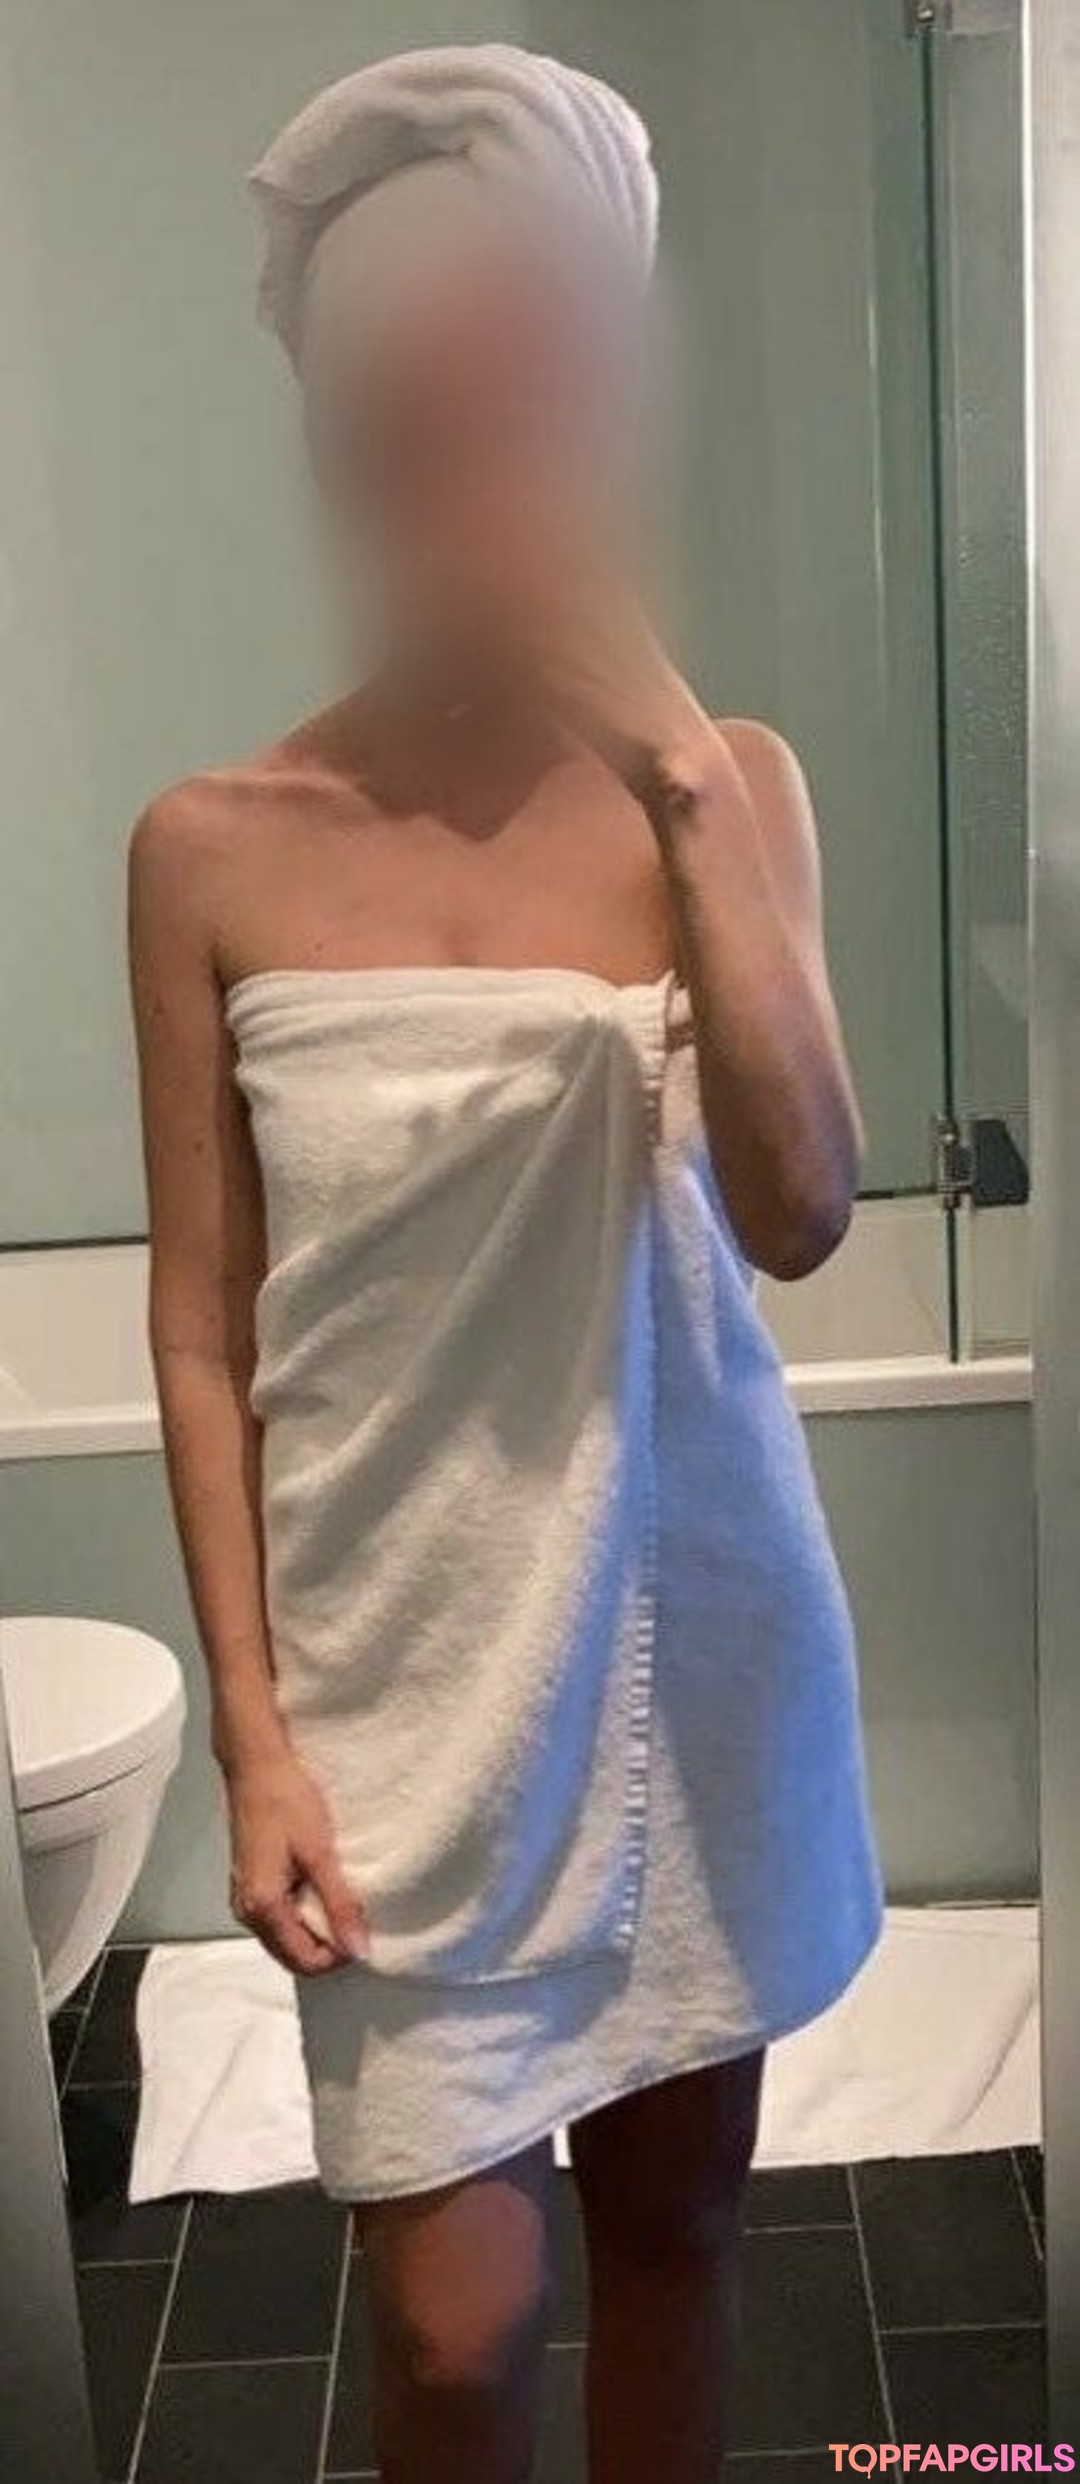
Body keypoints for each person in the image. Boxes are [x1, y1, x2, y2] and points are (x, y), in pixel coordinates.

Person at [129, 45, 882, 2484]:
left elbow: (803, 1213)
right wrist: (253, 1734)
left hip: (690, 1630)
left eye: (525, 412)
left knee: (676, 2242)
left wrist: (678, 780)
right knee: (459, 2336)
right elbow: (201, 1327)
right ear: (346, 447)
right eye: (415, 428)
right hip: (400, 1672)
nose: (475, 483)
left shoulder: (728, 787)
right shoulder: (214, 844)